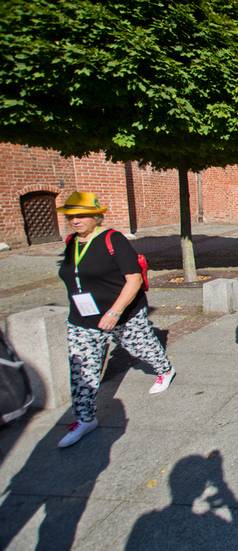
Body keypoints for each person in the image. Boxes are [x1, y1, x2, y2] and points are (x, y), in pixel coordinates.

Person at [56, 192, 174, 448]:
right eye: (71, 216)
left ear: (96, 216)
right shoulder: (71, 242)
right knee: (82, 368)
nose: (76, 221)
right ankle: (85, 418)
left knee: (138, 346)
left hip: (123, 313)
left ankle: (164, 369)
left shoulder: (113, 239)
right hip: (82, 319)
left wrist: (114, 312)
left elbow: (134, 279)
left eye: (82, 215)